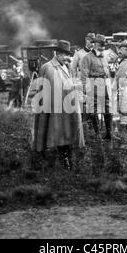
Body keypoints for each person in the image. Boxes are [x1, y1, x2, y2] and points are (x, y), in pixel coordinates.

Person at [31, 40, 85, 170]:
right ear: (59, 54)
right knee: (51, 129)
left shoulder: (66, 66)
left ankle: (64, 155)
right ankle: (46, 156)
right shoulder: (48, 67)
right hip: (54, 106)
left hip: (65, 105)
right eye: (66, 55)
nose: (69, 58)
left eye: (69, 55)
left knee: (65, 131)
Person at [80, 34, 113, 140]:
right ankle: (97, 133)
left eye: (104, 45)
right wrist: (85, 89)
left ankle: (109, 133)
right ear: (94, 45)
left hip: (104, 85)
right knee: (93, 109)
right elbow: (84, 75)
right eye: (100, 45)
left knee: (108, 108)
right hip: (92, 85)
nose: (102, 47)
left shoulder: (105, 57)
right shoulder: (87, 57)